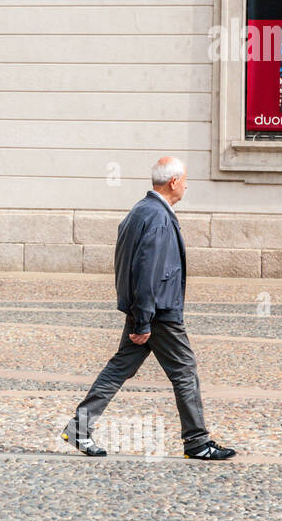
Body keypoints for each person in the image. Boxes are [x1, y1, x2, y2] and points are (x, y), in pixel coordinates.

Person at [61, 157, 236, 460]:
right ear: (173, 182)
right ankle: (197, 442)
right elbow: (146, 270)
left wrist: (137, 314)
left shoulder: (140, 210)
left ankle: (79, 428)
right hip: (159, 312)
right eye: (184, 180)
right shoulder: (157, 216)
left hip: (145, 309)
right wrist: (143, 320)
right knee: (184, 372)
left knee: (119, 369)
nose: (186, 185)